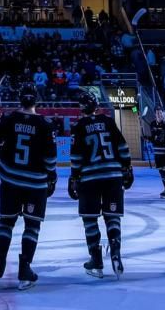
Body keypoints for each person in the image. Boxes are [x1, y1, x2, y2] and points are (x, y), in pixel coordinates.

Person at [0, 86, 57, 290]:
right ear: (37, 101)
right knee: (32, 226)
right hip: (35, 184)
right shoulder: (45, 124)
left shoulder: (9, 118)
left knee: (6, 223)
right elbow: (51, 158)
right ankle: (24, 268)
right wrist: (51, 176)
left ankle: (0, 263)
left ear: (20, 99)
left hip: (10, 181)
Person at [69, 91, 132, 279]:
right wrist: (127, 168)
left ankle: (96, 260)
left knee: (90, 218)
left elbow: (76, 157)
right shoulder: (108, 122)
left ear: (81, 109)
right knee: (112, 216)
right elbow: (123, 147)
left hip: (90, 178)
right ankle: (115, 252)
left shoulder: (79, 126)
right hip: (113, 175)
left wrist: (74, 178)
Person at [149, 106, 165, 198]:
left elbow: (164, 138)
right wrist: (149, 138)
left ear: (163, 114)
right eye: (157, 113)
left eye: (160, 112)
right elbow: (154, 138)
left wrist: (158, 134)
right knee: (161, 171)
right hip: (157, 152)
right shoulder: (152, 124)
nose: (159, 114)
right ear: (155, 114)